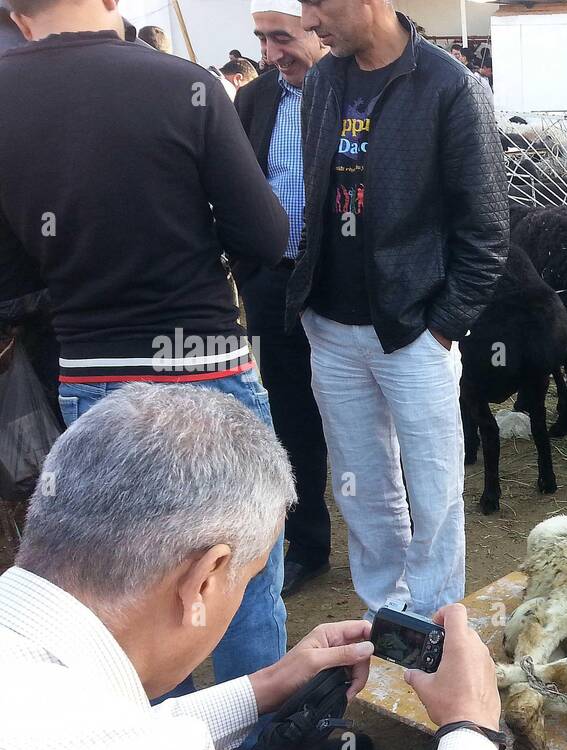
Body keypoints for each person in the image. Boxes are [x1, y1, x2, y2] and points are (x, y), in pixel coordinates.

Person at [0, 385, 506, 750]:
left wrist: (265, 686)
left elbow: (89, 738)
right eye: (250, 574)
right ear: (207, 578)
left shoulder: (56, 702)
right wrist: (472, 729)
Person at [0, 0, 292, 691]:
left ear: (15, 10)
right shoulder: (178, 84)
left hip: (92, 372)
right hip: (204, 364)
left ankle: (159, 738)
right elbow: (266, 235)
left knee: (125, 584)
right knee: (240, 571)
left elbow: (10, 278)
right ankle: (270, 744)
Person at [289, 0, 509, 620]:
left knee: (435, 492)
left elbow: (488, 226)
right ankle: (386, 616)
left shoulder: (450, 86)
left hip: (413, 332)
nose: (309, 22)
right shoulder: (326, 80)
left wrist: (443, 326)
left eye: (318, 4)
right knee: (361, 489)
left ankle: (436, 620)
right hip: (329, 327)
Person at [237, 0, 333, 601]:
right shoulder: (255, 100)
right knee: (291, 416)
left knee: (363, 420)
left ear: (318, 29)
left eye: (282, 37)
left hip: (346, 289)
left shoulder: (355, 96)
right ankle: (310, 543)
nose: (270, 54)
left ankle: (398, 550)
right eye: (262, 39)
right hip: (275, 284)